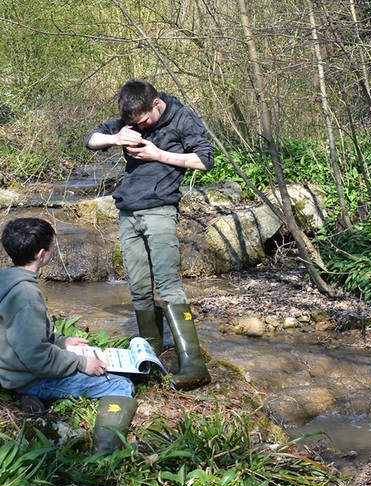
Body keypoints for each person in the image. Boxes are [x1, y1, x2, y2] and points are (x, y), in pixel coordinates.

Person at [85, 80, 212, 390]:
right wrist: (116, 138)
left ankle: (193, 363)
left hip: (160, 211)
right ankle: (151, 355)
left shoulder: (183, 119)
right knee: (139, 287)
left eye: (142, 122)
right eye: (133, 123)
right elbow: (90, 140)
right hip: (128, 212)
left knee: (168, 285)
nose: (138, 127)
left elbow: (205, 161)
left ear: (156, 105)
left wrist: (159, 154)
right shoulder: (129, 120)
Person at [0, 218, 137, 452]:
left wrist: (62, 341)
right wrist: (82, 363)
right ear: (42, 254)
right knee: (122, 386)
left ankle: (32, 399)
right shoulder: (26, 295)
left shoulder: (7, 279)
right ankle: (105, 454)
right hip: (29, 377)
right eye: (52, 247)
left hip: (11, 368)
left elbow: (19, 332)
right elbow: (37, 356)